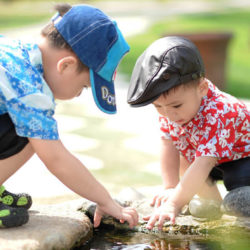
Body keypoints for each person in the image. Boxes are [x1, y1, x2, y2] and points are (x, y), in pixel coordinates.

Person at [0, 3, 138, 228]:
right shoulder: (30, 87)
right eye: (83, 86)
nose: (77, 95)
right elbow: (56, 159)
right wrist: (106, 201)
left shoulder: (13, 51)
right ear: (66, 66)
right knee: (37, 133)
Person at [127, 36, 249, 230]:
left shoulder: (221, 112)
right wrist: (170, 187)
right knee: (184, 156)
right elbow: (168, 145)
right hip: (205, 157)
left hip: (241, 158)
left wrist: (173, 204)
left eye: (176, 105)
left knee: (240, 195)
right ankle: (213, 207)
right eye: (158, 106)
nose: (169, 114)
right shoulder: (171, 110)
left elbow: (204, 162)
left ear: (202, 88)